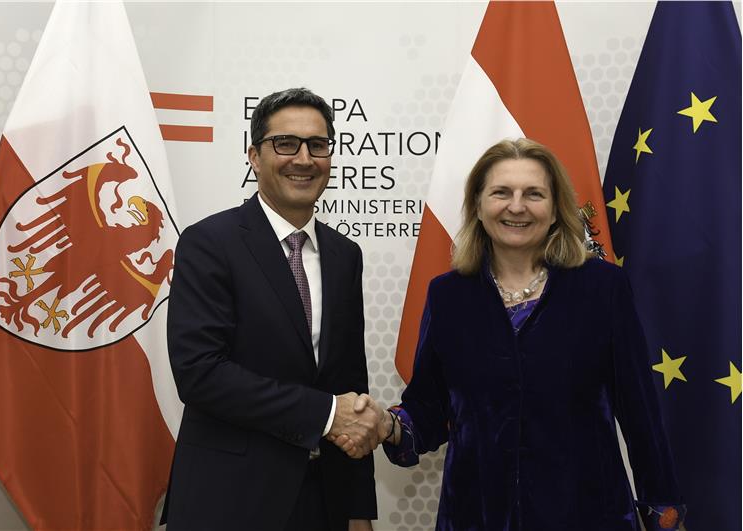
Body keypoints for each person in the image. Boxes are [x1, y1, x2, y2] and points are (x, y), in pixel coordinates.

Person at [334, 138, 686, 530]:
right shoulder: (448, 295)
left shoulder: (603, 288)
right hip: (477, 515)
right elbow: (429, 409)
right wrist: (387, 425)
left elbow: (641, 416)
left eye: (533, 194)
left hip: (587, 514)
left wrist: (663, 514)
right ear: (478, 205)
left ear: (556, 209)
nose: (516, 206)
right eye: (501, 192)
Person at [162, 88, 380, 531]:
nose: (304, 159)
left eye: (317, 145)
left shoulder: (345, 255)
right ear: (254, 157)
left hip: (324, 501)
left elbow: (350, 385)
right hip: (229, 501)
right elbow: (200, 373)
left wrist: (358, 508)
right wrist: (323, 413)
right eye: (285, 144)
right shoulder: (209, 243)